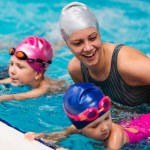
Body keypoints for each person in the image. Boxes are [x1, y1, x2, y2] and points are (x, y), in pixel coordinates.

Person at [59, 2, 150, 107]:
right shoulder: (76, 70)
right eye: (78, 43)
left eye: (93, 38)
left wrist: (138, 123)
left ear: (99, 34)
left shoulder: (127, 65)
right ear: (67, 44)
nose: (88, 48)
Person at [25, 83, 150, 149]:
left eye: (106, 118)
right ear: (79, 127)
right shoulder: (77, 128)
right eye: (95, 126)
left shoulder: (115, 134)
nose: (105, 127)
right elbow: (59, 135)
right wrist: (40, 136)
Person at [0, 36, 66, 102]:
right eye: (11, 64)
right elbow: (7, 80)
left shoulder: (44, 87)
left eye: (20, 67)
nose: (12, 71)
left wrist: (4, 97)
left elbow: (17, 96)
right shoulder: (22, 77)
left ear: (37, 74)